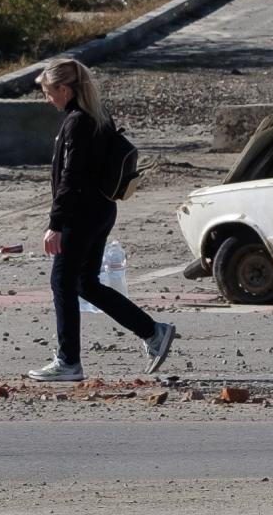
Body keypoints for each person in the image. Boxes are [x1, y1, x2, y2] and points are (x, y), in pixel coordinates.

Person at [30, 57, 177, 383]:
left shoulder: (78, 122)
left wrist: (55, 224)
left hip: (80, 216)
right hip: (101, 211)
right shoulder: (97, 115)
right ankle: (153, 332)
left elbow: (72, 178)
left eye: (48, 92)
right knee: (85, 283)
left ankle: (68, 362)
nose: (47, 98)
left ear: (64, 89)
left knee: (62, 282)